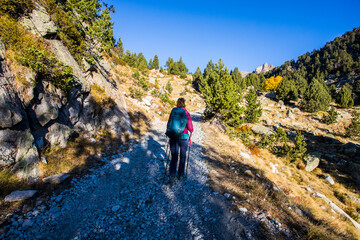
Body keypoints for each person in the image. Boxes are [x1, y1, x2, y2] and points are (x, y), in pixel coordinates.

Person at [167, 98, 193, 183]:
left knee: (174, 157)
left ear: (177, 103)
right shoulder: (186, 113)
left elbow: (169, 123)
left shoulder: (173, 111)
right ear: (184, 104)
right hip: (184, 137)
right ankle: (181, 175)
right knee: (182, 156)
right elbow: (190, 128)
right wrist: (191, 131)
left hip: (173, 136)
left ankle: (172, 175)